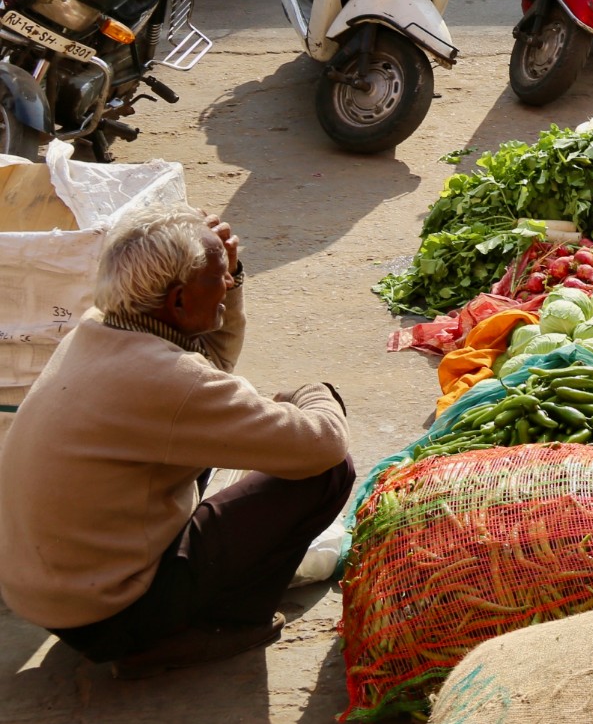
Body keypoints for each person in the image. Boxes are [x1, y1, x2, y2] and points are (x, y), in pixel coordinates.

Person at [0, 205, 352, 679]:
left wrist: (231, 273)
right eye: (219, 278)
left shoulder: (100, 327)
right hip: (110, 614)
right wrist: (314, 393)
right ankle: (210, 627)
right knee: (329, 472)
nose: (227, 284)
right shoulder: (165, 380)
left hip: (45, 591)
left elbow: (210, 369)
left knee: (219, 439)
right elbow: (323, 443)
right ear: (179, 302)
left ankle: (152, 612)